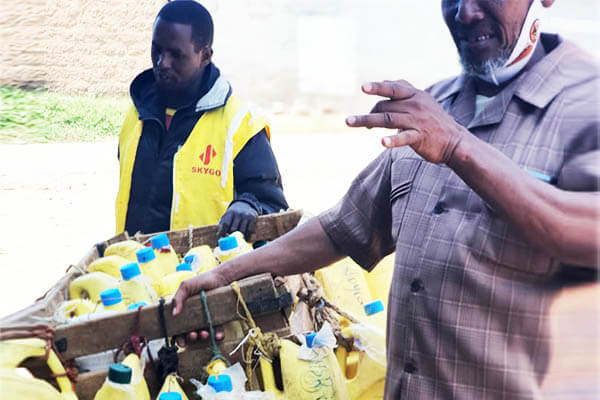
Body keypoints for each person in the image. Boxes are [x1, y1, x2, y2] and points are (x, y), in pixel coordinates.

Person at [173, 0, 599, 398]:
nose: (465, 13)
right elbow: (340, 228)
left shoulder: (583, 106)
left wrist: (455, 146)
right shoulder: (436, 107)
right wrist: (228, 274)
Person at [115, 0, 288, 238]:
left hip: (203, 272)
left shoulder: (239, 124)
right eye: (157, 49)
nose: (161, 63)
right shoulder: (136, 114)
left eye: (176, 54)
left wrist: (249, 205)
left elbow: (274, 208)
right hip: (135, 266)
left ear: (205, 55)